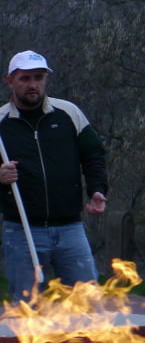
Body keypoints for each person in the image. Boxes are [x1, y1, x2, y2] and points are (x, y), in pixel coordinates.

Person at [0, 51, 107, 300]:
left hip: (70, 229)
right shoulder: (2, 122)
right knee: (27, 309)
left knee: (87, 304)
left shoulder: (68, 113)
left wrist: (97, 189)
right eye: (25, 78)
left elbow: (94, 155)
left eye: (39, 77)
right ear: (10, 81)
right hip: (21, 231)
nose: (33, 84)